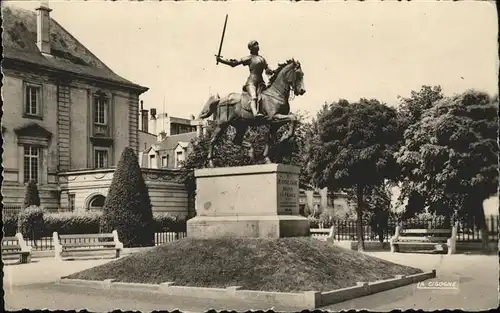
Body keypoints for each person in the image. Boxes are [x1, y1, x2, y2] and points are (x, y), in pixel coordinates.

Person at [216, 40, 274, 118]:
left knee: (266, 97)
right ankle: (255, 113)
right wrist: (221, 60)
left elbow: (268, 70)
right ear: (251, 48)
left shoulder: (262, 59)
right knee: (254, 97)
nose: (257, 45)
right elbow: (234, 64)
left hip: (261, 83)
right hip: (251, 82)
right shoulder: (249, 58)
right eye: (254, 44)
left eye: (257, 44)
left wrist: (273, 71)